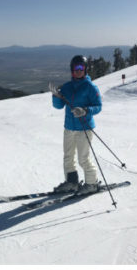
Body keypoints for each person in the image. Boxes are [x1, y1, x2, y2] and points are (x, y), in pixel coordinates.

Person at [49, 54, 103, 194]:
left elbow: (98, 106)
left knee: (83, 158)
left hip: (84, 128)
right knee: (68, 157)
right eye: (75, 68)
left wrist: (85, 110)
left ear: (85, 69)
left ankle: (92, 183)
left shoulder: (91, 87)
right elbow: (59, 106)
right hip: (69, 128)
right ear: (72, 70)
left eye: (81, 67)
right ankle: (71, 182)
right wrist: (56, 97)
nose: (78, 70)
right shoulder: (67, 87)